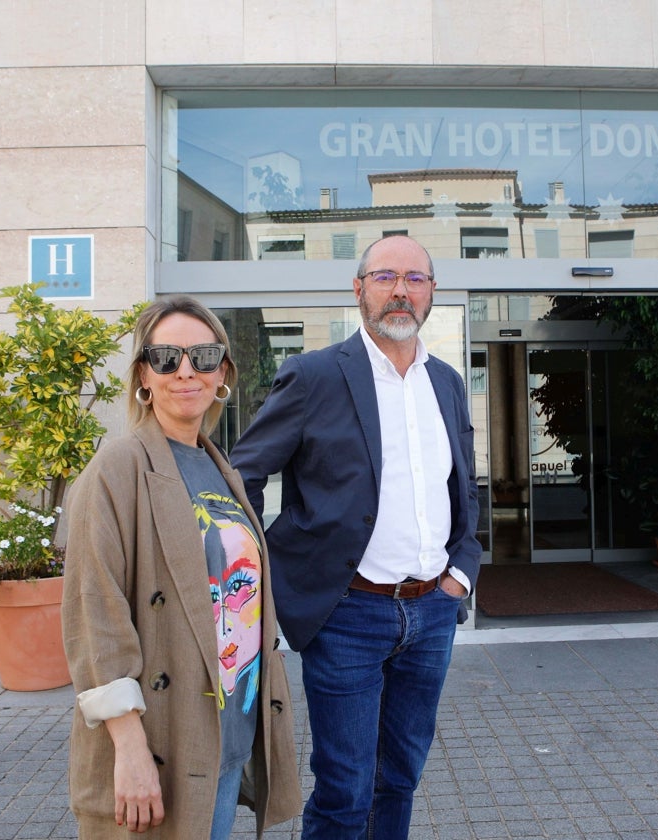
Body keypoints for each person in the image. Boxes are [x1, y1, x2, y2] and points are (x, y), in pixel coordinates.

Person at [231, 234, 482, 839]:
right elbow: (243, 474)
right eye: (386, 276)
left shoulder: (445, 382)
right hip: (348, 615)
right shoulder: (315, 375)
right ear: (359, 288)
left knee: (400, 778)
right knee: (346, 789)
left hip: (432, 612)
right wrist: (274, 572)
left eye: (415, 278)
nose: (401, 290)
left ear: (432, 292)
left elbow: (466, 489)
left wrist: (461, 573)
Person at [62, 295, 301, 840]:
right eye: (167, 357)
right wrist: (129, 749)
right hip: (161, 742)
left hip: (224, 733)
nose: (186, 370)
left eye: (204, 355)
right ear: (144, 375)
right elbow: (93, 612)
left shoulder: (221, 468)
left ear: (224, 373)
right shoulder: (119, 467)